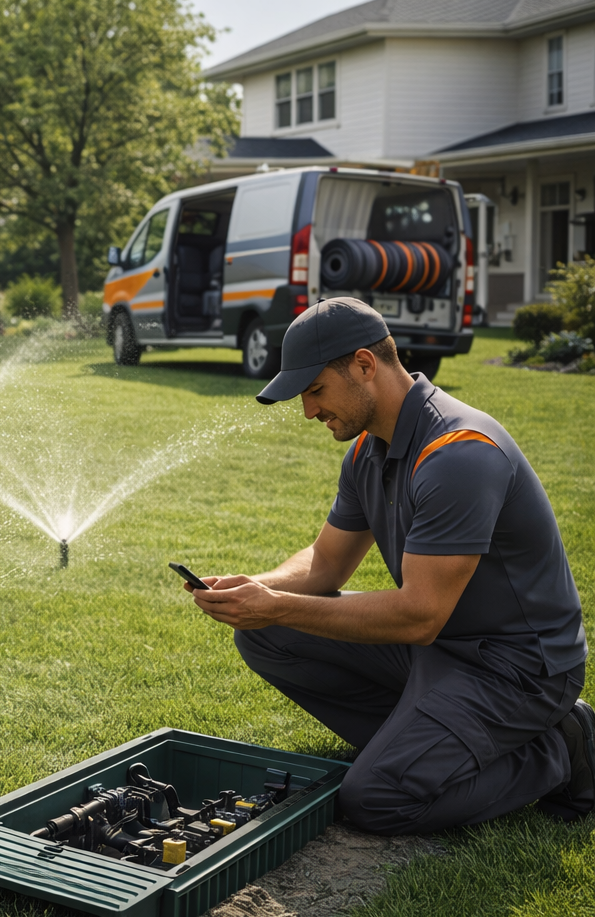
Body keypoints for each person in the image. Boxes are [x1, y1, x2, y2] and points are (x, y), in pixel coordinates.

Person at [188, 297, 592, 834]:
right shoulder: (367, 451)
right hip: (440, 648)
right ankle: (421, 740)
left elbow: (419, 615)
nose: (309, 412)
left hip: (516, 669)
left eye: (314, 391)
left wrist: (279, 606)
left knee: (375, 797)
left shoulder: (458, 453)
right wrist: (251, 591)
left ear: (363, 365)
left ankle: (561, 748)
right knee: (265, 636)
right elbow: (325, 564)